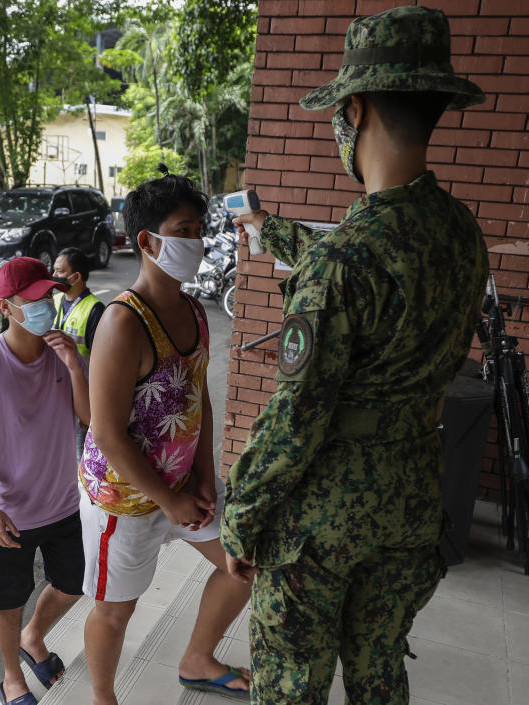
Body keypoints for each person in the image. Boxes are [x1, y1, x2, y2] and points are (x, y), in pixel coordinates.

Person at [221, 8, 489, 705]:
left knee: (291, 685)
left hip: (321, 522)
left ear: (356, 108)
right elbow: (374, 273)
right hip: (410, 501)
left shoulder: (346, 259)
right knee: (378, 674)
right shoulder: (460, 233)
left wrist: (241, 514)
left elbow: (295, 416)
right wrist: (272, 229)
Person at [79, 174, 251, 705]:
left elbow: (197, 400)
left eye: (199, 229)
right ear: (147, 242)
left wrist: (202, 477)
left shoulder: (195, 311)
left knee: (243, 564)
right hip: (124, 500)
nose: (196, 242)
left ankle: (198, 658)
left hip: (183, 487)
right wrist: (168, 499)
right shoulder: (121, 323)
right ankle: (103, 697)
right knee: (116, 609)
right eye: (183, 230)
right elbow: (106, 433)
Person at [0, 256, 89, 705]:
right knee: (7, 600)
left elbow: (90, 420)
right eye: (31, 300)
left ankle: (35, 636)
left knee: (72, 583)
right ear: (6, 307)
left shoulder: (64, 353)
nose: (44, 306)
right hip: (6, 511)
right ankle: (12, 676)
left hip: (63, 502)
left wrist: (73, 364)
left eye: (47, 296)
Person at [52, 247, 105, 460]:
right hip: (56, 391)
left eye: (59, 272)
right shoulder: (54, 302)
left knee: (80, 455)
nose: (54, 276)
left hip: (82, 394)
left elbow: (102, 365)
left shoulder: (95, 310)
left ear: (76, 277)